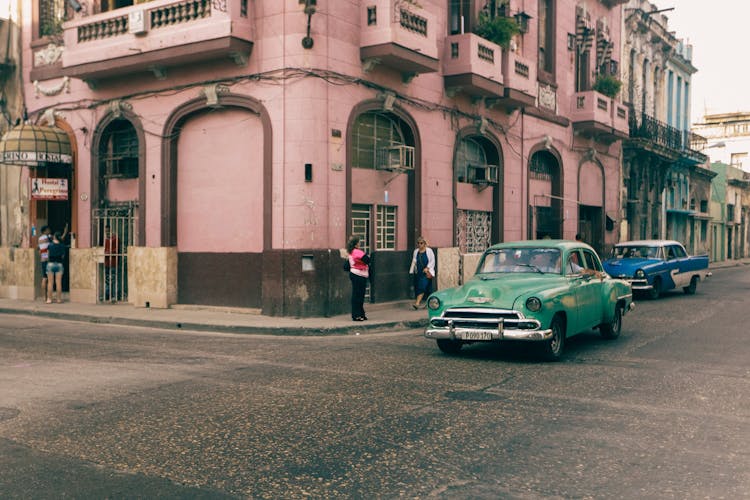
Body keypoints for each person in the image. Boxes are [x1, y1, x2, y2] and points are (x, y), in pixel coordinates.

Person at [347, 236, 370, 321]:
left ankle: (360, 314)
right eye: (359, 242)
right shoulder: (357, 252)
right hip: (359, 275)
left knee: (357, 295)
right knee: (359, 295)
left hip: (355, 274)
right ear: (356, 244)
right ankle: (357, 315)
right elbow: (367, 260)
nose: (360, 244)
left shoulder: (351, 252)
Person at [409, 237, 436, 309]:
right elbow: (414, 261)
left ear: (424, 244)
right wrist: (411, 271)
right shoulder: (416, 251)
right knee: (427, 288)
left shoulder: (429, 251)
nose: (419, 244)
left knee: (422, 286)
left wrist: (428, 268)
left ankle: (417, 303)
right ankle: (429, 304)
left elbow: (432, 260)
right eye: (418, 243)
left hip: (426, 273)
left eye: (421, 243)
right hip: (419, 273)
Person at [45, 232, 66, 303]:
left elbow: (47, 256)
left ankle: (49, 299)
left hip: (50, 264)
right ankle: (59, 299)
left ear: (54, 237)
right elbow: (63, 256)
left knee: (50, 282)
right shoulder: (62, 246)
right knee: (58, 282)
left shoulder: (49, 245)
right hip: (59, 264)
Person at [103, 224, 120, 301]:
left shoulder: (115, 238)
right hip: (107, 262)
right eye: (106, 230)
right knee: (107, 279)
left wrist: (109, 252)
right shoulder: (106, 239)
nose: (106, 232)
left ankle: (115, 295)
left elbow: (117, 250)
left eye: (107, 230)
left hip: (113, 261)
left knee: (113, 279)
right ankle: (107, 295)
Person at [38, 225, 51, 299]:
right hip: (47, 259)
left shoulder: (39, 239)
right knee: (48, 278)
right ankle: (48, 296)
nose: (49, 231)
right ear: (45, 231)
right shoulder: (47, 237)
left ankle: (44, 296)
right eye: (48, 230)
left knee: (44, 277)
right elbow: (58, 238)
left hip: (43, 259)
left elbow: (40, 249)